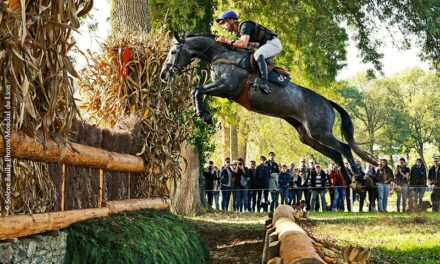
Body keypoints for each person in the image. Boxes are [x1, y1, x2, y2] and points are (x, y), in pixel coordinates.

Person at [216, 10, 282, 94]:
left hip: (273, 43)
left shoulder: (245, 26)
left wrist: (226, 40)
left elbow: (243, 44)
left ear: (231, 20)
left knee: (258, 55)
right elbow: (245, 46)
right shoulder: (239, 34)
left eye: (223, 23)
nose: (222, 26)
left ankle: (264, 83)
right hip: (264, 45)